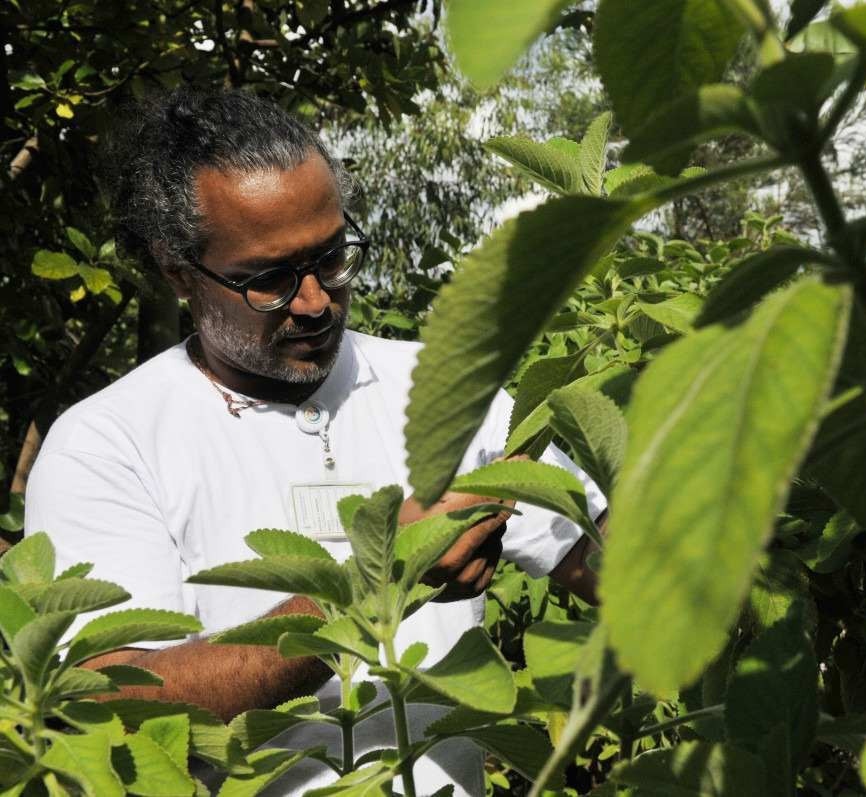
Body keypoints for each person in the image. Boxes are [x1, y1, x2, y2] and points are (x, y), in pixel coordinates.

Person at [23, 87, 603, 795]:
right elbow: (109, 702)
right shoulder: (108, 442)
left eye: (331, 258)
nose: (315, 300)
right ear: (178, 271)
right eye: (269, 278)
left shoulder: (444, 386)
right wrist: (367, 588)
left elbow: (606, 559)